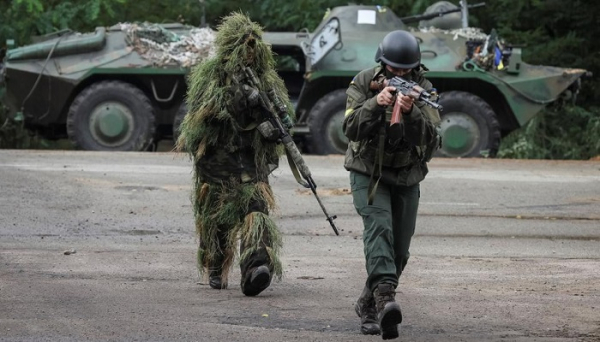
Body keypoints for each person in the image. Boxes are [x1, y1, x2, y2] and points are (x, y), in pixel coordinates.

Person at [176, 12, 294, 297]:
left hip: (250, 166)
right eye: (244, 45)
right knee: (217, 222)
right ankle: (216, 266)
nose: (249, 52)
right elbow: (196, 124)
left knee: (256, 212)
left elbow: (282, 117)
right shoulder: (211, 76)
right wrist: (235, 102)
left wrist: (274, 126)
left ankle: (255, 269)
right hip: (217, 166)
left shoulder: (268, 81)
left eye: (255, 46)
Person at [343, 30, 442, 339]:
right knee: (379, 230)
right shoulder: (363, 82)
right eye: (394, 69)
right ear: (382, 63)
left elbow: (430, 138)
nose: (400, 74)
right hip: (367, 171)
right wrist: (377, 102)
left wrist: (410, 112)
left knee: (399, 249)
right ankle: (384, 301)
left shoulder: (424, 90)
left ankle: (366, 301)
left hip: (406, 175)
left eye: (406, 70)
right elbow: (349, 128)